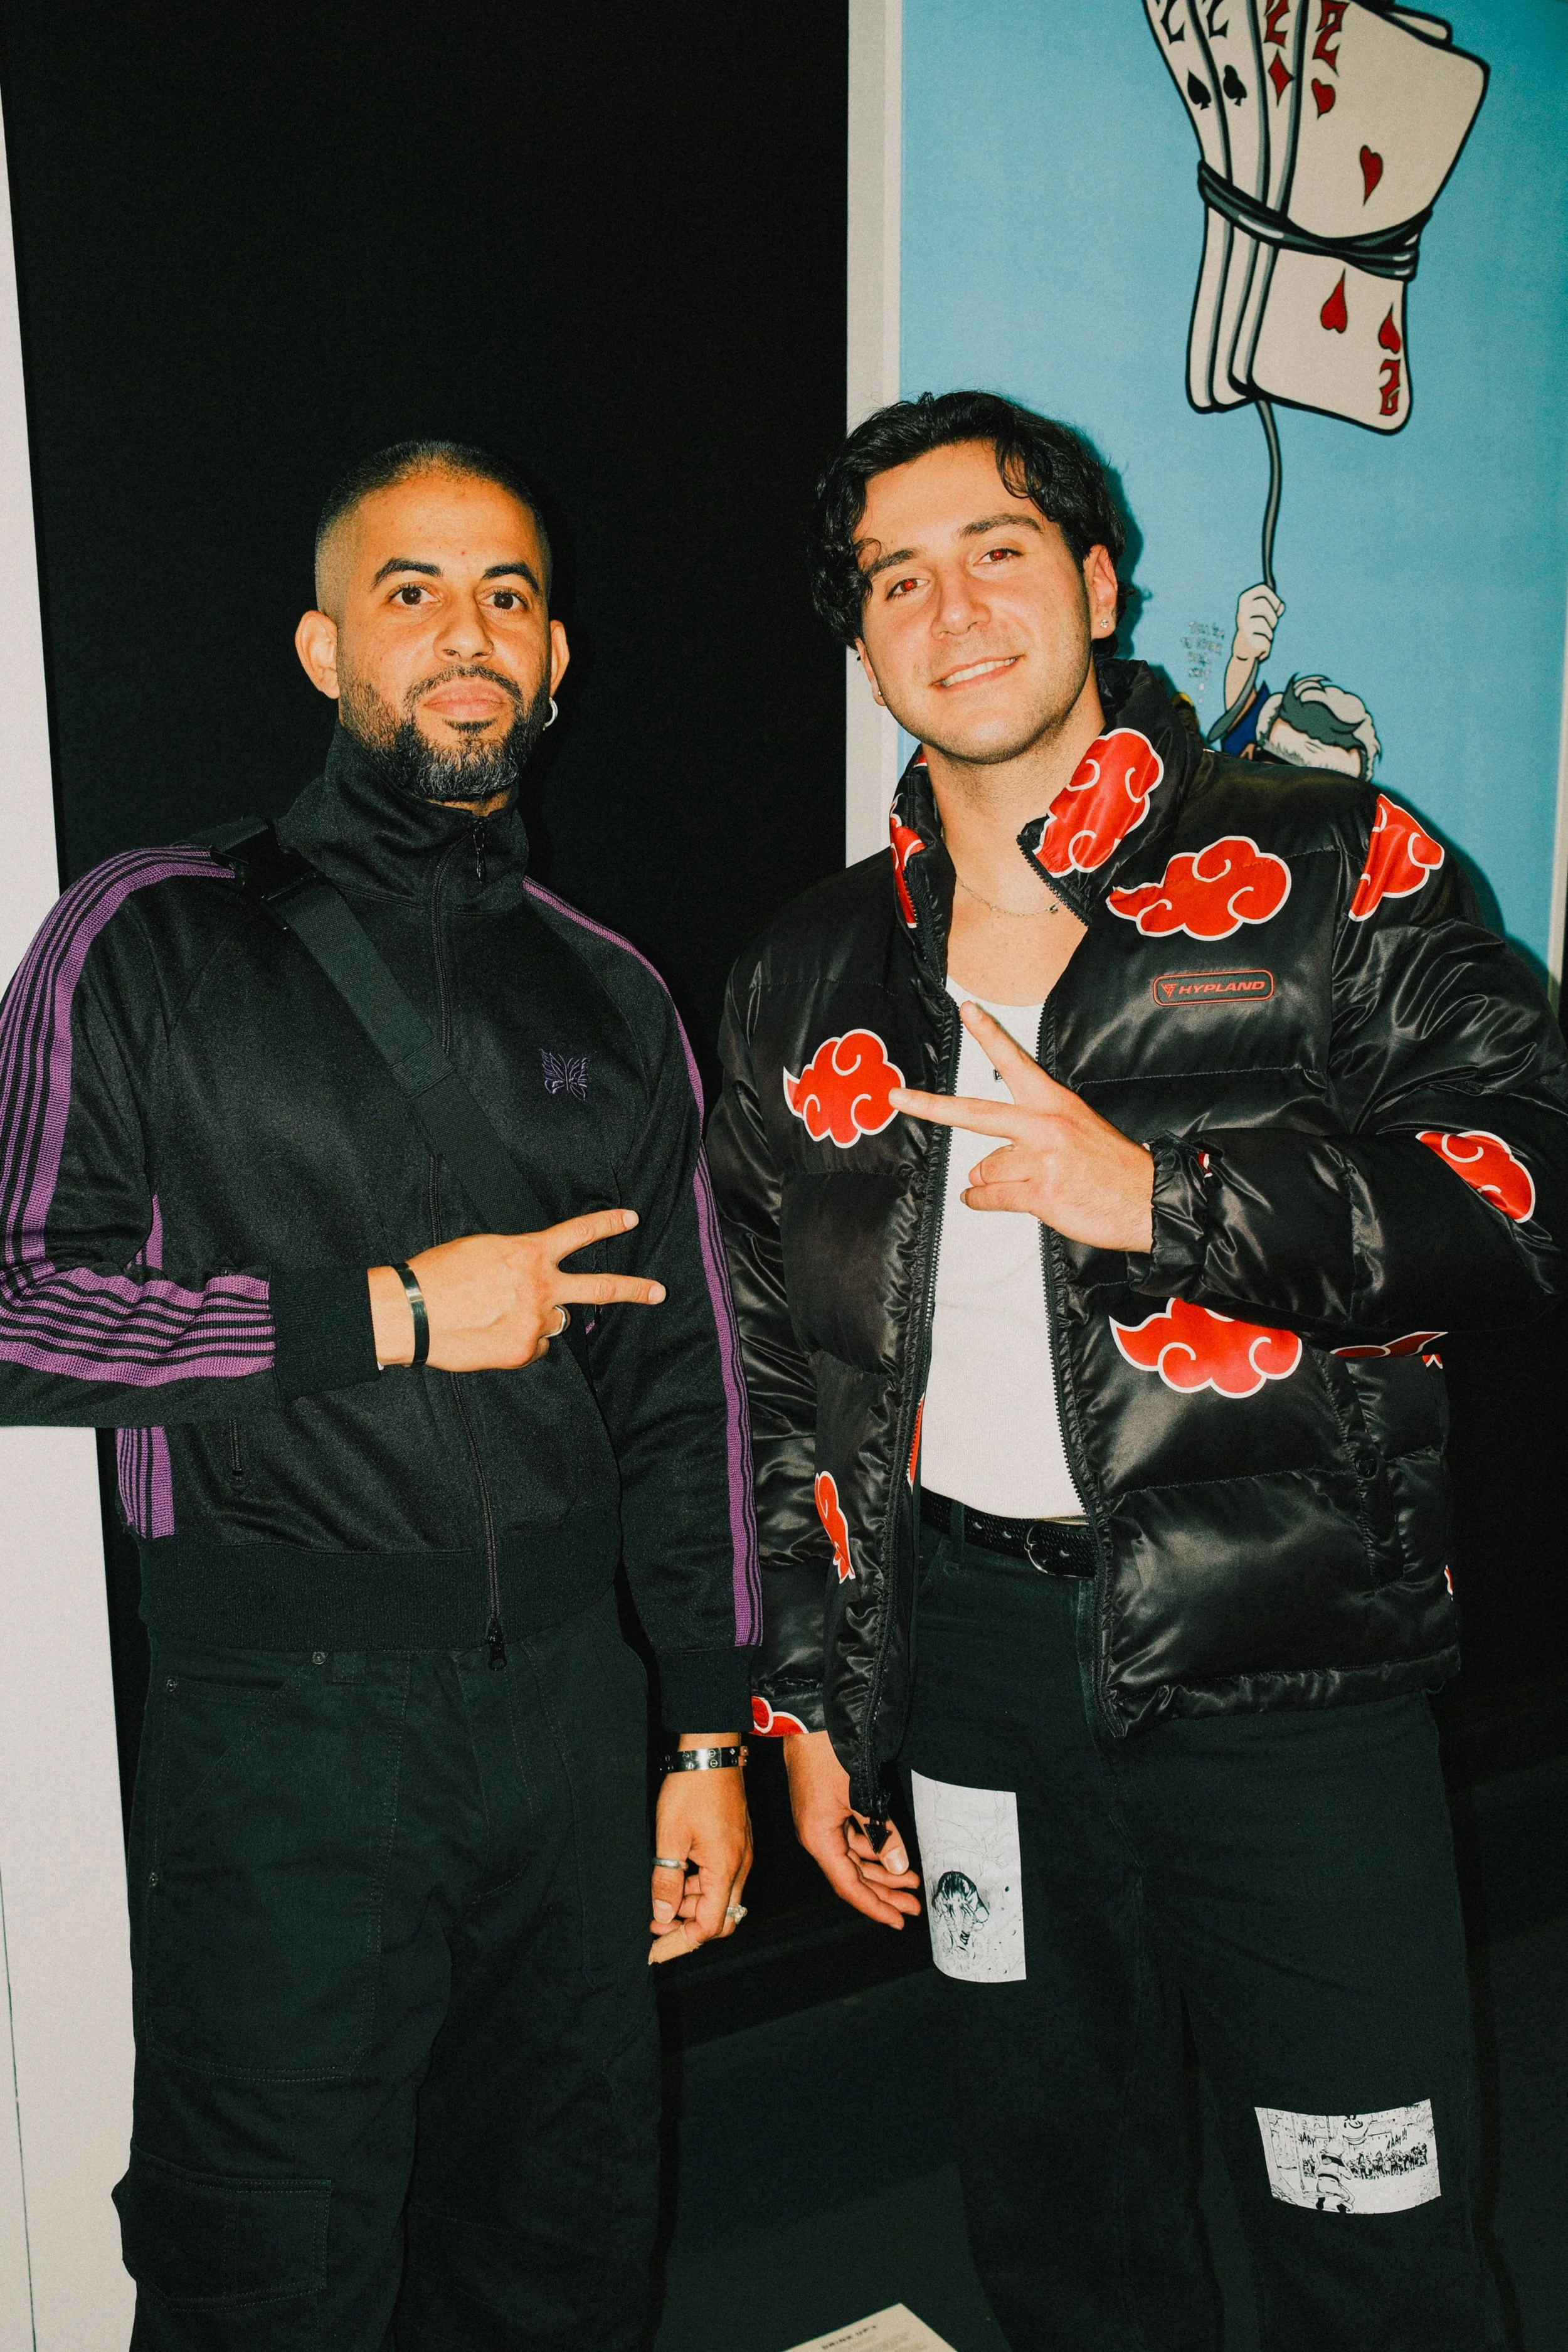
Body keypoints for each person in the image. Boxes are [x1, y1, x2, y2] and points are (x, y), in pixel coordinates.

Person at [708, 389, 1568, 2351]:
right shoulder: (811, 968)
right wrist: (815, 1695)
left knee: (1369, 2210)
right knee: (1054, 2189)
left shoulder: (1339, 863)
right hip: (977, 1678)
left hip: (1289, 1663)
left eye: (995, 550)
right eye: (893, 580)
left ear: (1097, 582)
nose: (952, 608)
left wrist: (1157, 1195)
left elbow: (1525, 1189)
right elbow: (773, 1372)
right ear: (864, 640)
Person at [0, 438, 758, 2348]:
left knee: (563, 2249)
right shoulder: (153, 931)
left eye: (506, 592)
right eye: (410, 592)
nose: (466, 631)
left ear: (557, 654)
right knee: (273, 2267)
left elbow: (693, 1396)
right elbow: (11, 1305)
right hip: (283, 1746)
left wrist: (704, 1735)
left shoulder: (608, 988)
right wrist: (387, 1316)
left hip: (571, 1737)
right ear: (323, 646)